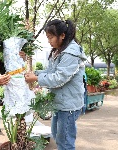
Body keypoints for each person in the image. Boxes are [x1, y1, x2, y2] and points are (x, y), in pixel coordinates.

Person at [24, 19, 87, 150]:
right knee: (58, 137)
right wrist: (35, 73)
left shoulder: (71, 52)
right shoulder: (59, 50)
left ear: (62, 35)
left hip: (68, 105)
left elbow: (59, 78)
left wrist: (36, 78)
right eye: (48, 37)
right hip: (60, 102)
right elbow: (51, 71)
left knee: (65, 142)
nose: (49, 41)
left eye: (51, 37)